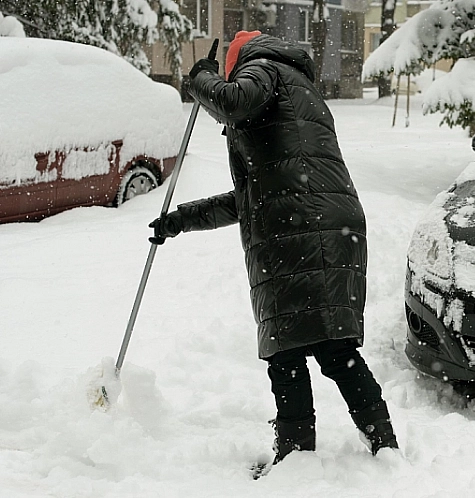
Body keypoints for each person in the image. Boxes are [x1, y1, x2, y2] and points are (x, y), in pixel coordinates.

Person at [149, 31, 398, 465]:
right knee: (332, 347)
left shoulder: (264, 69)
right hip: (321, 223)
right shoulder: (295, 88)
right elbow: (252, 199)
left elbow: (233, 100)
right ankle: (383, 445)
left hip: (299, 227)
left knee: (287, 352)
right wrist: (180, 220)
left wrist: (200, 80)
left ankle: (297, 458)